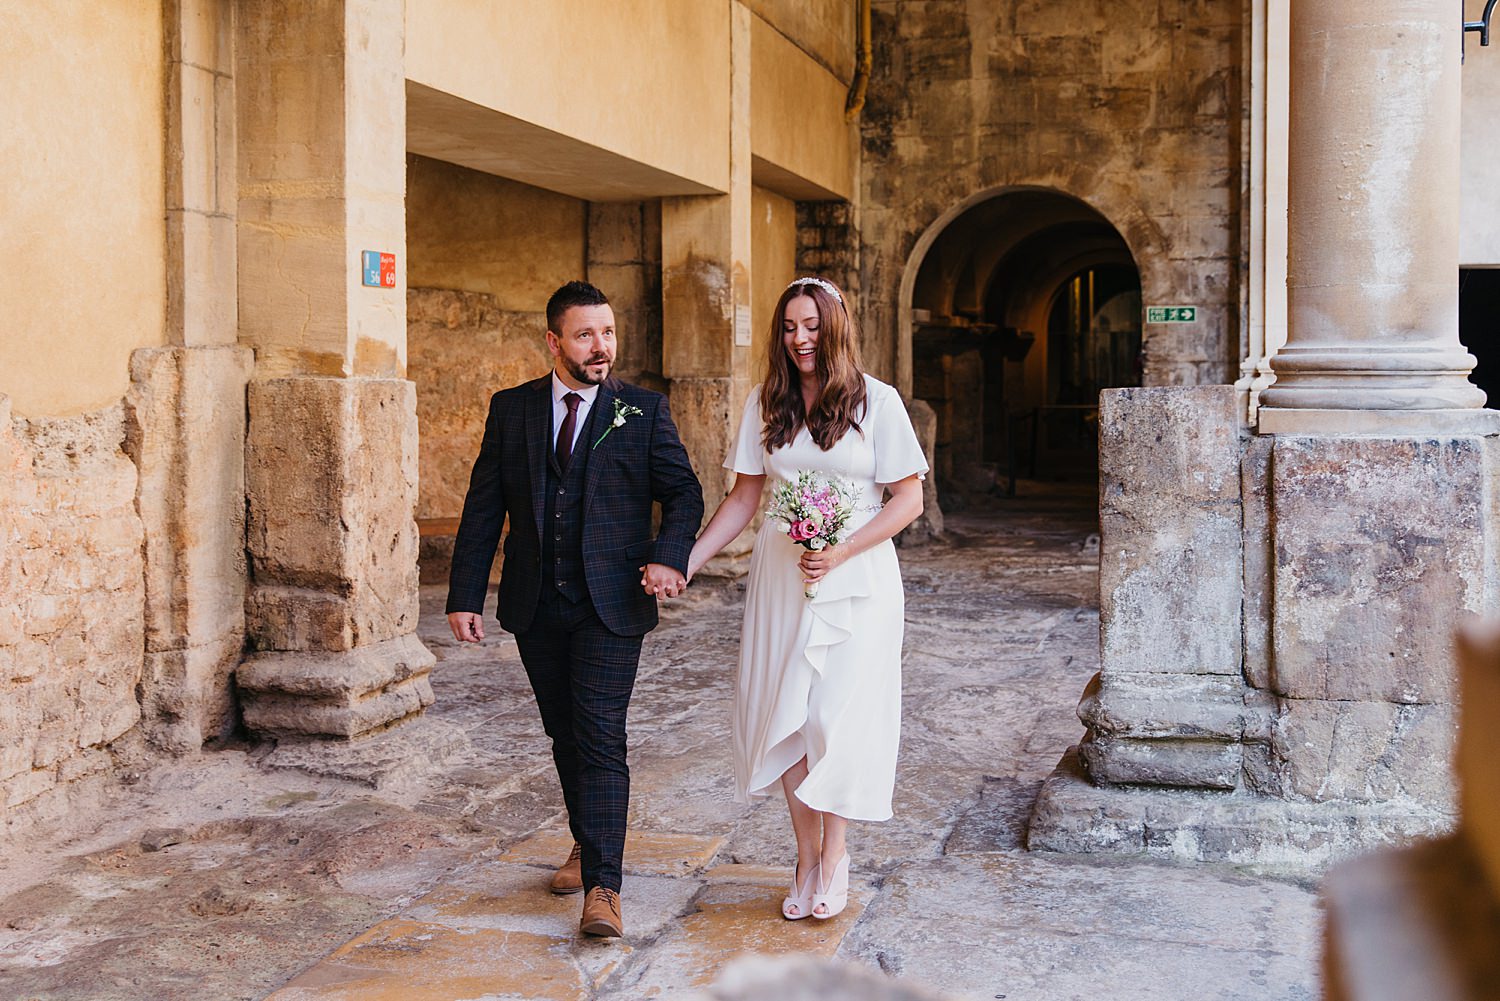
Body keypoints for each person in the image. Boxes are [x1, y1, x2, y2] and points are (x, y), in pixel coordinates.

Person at [446, 280, 704, 938]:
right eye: (587, 334)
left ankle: (604, 886)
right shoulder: (513, 410)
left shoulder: (642, 411)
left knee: (599, 735)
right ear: (554, 342)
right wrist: (465, 594)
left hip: (612, 603)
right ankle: (587, 840)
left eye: (609, 332)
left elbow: (683, 493)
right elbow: (485, 506)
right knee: (565, 733)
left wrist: (671, 555)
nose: (602, 346)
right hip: (536, 602)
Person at [686, 276, 927, 921]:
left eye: (812, 326)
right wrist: (686, 562)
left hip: (859, 581)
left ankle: (837, 853)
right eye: (790, 327)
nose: (800, 339)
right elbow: (743, 499)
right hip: (782, 578)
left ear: (836, 328)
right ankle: (804, 854)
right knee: (788, 716)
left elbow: (908, 499)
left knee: (836, 718)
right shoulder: (766, 403)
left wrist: (844, 550)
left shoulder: (878, 402)